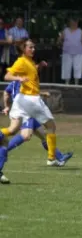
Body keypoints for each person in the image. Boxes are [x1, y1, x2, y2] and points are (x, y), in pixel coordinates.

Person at [0, 39, 62, 186]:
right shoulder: (21, 61)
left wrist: (38, 66)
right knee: (51, 126)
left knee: (15, 130)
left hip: (21, 101)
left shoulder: (28, 62)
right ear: (23, 49)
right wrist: (18, 78)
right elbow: (7, 76)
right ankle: (52, 158)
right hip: (31, 100)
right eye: (30, 47)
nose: (33, 49)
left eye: (34, 47)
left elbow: (30, 73)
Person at [3, 80, 73, 165]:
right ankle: (3, 151)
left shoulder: (13, 83)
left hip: (26, 111)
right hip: (26, 111)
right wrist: (42, 94)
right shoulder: (24, 81)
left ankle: (58, 157)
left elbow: (6, 93)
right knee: (25, 136)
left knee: (43, 136)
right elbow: (27, 94)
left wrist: (6, 106)